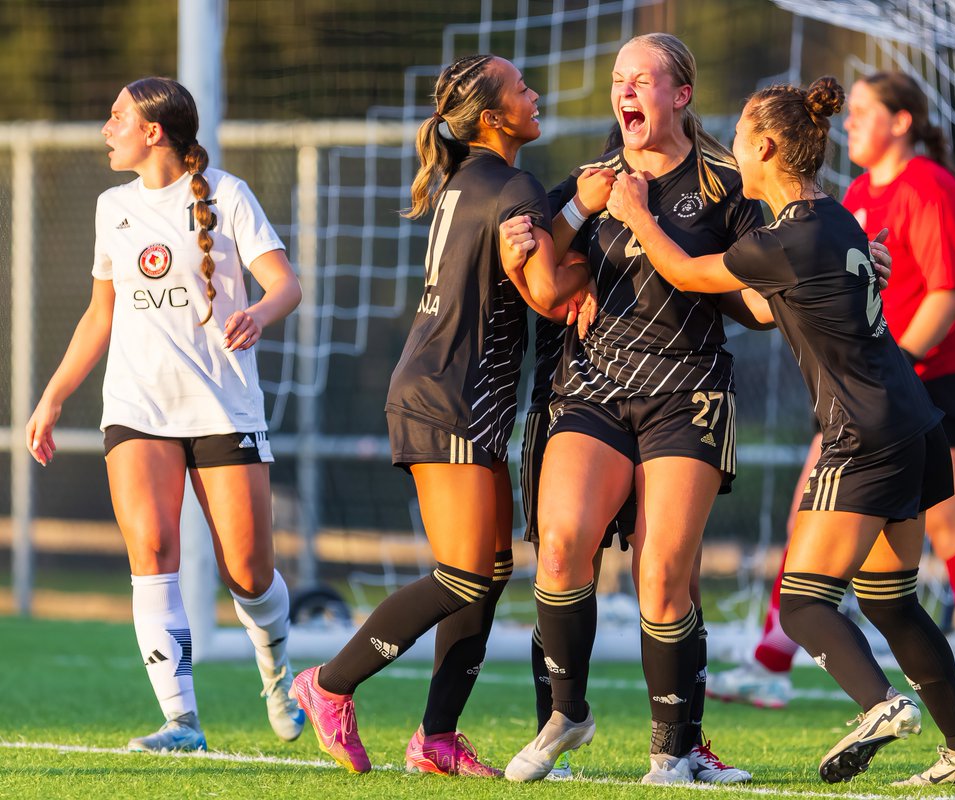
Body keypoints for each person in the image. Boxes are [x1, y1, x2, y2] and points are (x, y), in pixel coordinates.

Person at [606, 76, 955, 786]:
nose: (730, 146)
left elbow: (687, 273)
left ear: (764, 147)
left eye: (738, 134)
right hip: (915, 424)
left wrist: (637, 213)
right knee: (890, 600)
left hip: (864, 434)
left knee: (802, 602)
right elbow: (785, 300)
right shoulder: (835, 217)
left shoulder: (783, 238)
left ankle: (881, 706)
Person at [288, 54, 590, 777]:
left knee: (489, 569)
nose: (535, 95)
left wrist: (572, 207)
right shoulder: (510, 184)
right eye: (521, 89)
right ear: (492, 118)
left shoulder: (476, 179)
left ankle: (437, 738)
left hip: (455, 393)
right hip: (450, 395)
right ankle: (329, 683)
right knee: (463, 574)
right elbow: (551, 293)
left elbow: (529, 254)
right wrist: (593, 231)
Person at [707, 70, 955, 714]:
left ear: (901, 122)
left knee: (954, 525)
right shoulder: (854, 194)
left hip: (927, 376)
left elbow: (948, 294)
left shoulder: (929, 186)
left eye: (864, 110)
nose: (850, 121)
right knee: (828, 522)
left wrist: (896, 364)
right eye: (848, 110)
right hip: (867, 382)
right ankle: (772, 662)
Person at [500, 32, 776, 786]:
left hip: (686, 393)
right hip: (592, 387)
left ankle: (675, 750)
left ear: (680, 96)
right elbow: (544, 286)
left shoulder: (726, 184)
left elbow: (757, 303)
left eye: (642, 80)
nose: (625, 91)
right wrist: (548, 227)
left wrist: (826, 284)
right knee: (561, 548)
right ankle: (566, 714)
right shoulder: (592, 184)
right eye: (619, 79)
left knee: (663, 576)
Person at [26, 77, 306, 752]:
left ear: (153, 131)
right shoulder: (112, 207)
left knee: (249, 574)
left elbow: (285, 285)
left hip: (222, 408)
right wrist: (53, 396)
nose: (106, 128)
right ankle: (182, 721)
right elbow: (101, 314)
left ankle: (276, 672)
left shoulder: (228, 195)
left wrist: (258, 313)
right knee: (152, 550)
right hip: (137, 406)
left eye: (117, 116)